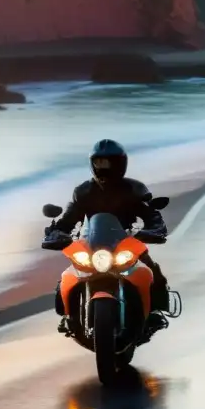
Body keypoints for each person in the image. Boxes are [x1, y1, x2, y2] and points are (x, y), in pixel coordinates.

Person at [43, 139, 171, 333]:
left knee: (153, 270)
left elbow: (151, 214)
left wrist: (155, 229)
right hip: (91, 242)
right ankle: (67, 317)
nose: (103, 168)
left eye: (108, 162)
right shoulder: (84, 192)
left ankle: (155, 313)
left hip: (125, 242)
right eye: (99, 162)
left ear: (120, 163)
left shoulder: (133, 190)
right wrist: (56, 233)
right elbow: (68, 219)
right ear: (92, 164)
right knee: (67, 276)